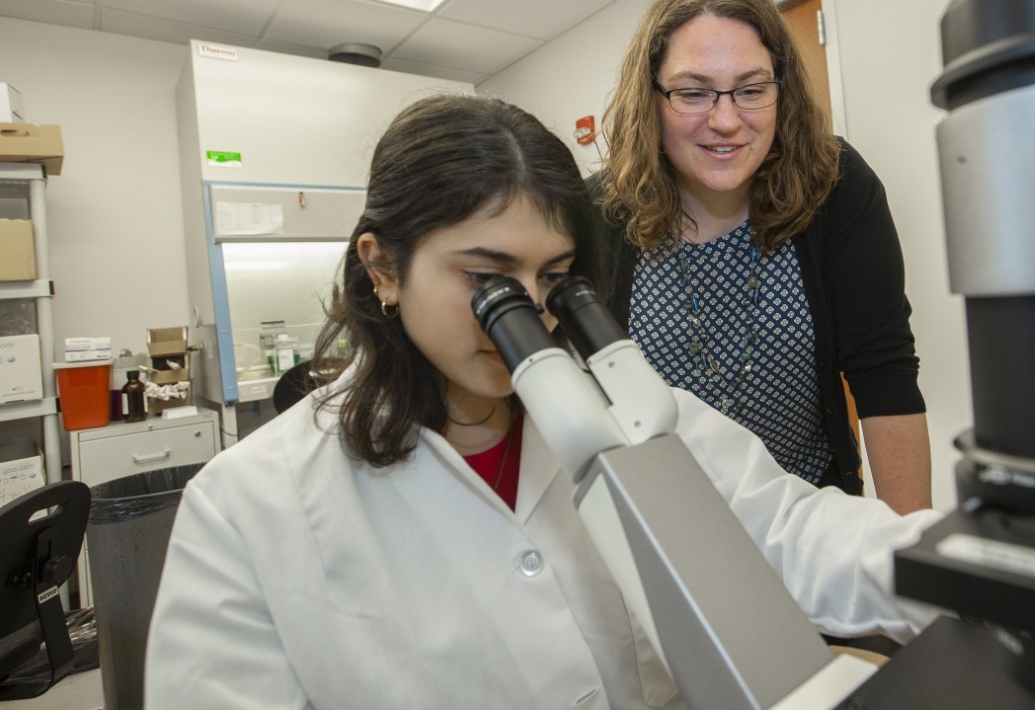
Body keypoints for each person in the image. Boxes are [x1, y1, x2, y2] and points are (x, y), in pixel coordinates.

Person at [144, 94, 942, 709]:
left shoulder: (629, 408)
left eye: (552, 280)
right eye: (487, 278)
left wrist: (967, 559)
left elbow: (791, 529)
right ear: (383, 268)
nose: (524, 313)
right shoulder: (244, 505)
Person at [592, 0, 932, 513]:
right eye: (693, 93)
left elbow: (884, 374)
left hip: (811, 508)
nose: (726, 120)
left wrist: (912, 565)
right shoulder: (599, 215)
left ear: (782, 90)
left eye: (751, 90)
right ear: (651, 98)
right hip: (665, 519)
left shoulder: (835, 186)